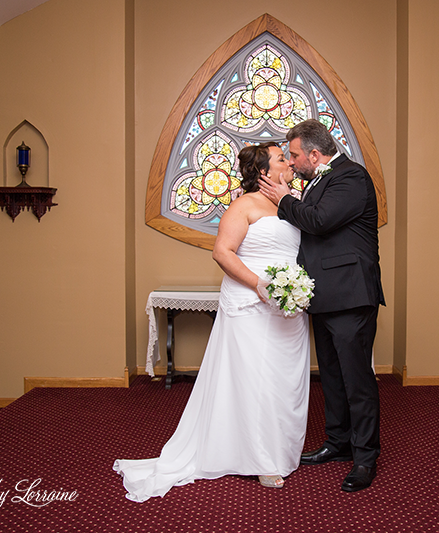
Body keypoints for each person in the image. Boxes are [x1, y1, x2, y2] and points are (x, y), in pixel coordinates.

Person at [113, 142, 310, 500]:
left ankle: (283, 448)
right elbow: (222, 252)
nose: (291, 163)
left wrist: (294, 290)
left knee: (285, 378)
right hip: (251, 303)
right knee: (255, 378)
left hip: (289, 306)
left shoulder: (291, 206)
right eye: (283, 159)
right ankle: (261, 457)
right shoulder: (243, 205)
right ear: (264, 172)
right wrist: (260, 286)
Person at [258, 119, 385, 493]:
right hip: (324, 295)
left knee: (357, 380)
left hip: (350, 294)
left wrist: (283, 199)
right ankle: (338, 442)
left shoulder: (351, 177)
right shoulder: (315, 181)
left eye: (295, 155)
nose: (293, 163)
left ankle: (365, 457)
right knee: (331, 376)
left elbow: (318, 221)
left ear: (315, 154)